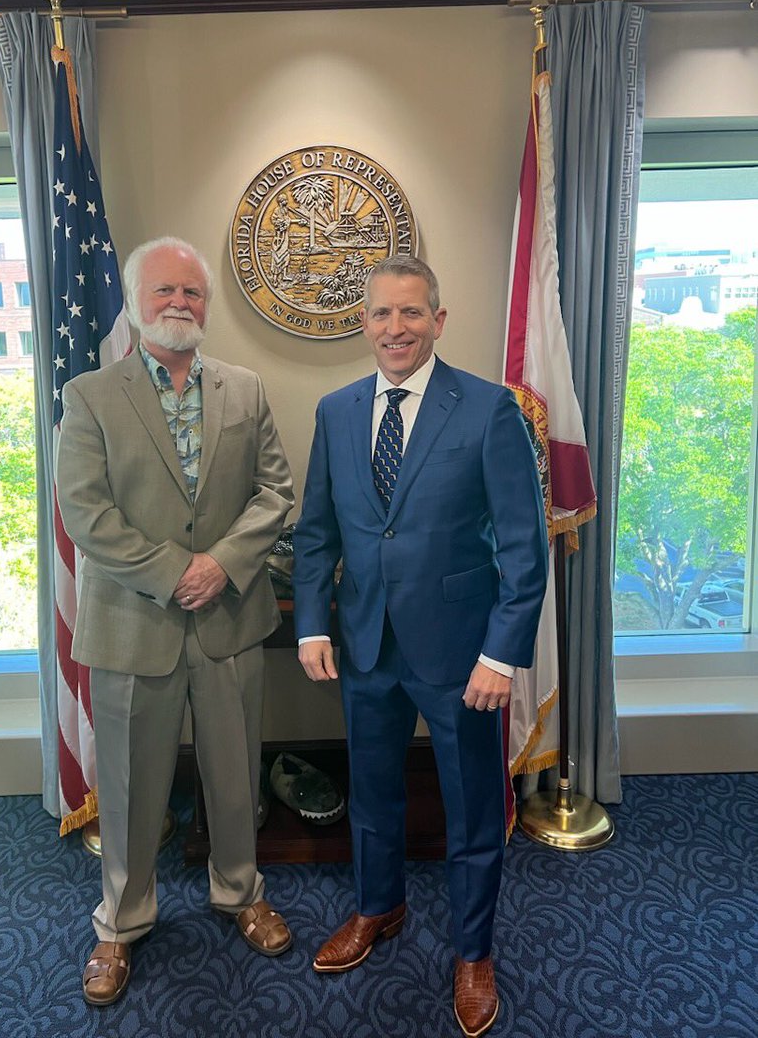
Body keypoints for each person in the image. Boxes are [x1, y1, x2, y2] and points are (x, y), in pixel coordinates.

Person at [293, 254, 548, 1037]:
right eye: (381, 314)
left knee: (471, 809)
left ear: (438, 320)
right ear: (362, 322)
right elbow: (315, 533)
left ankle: (473, 952)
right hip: (364, 647)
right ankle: (381, 908)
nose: (395, 328)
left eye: (412, 313)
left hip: (462, 656)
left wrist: (501, 655)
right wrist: (311, 623)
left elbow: (523, 546)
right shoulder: (336, 412)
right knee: (372, 797)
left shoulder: (487, 409)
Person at [56, 236, 295, 1006]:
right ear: (134, 302)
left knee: (234, 775)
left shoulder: (247, 390)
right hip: (133, 623)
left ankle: (240, 891)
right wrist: (172, 573)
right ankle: (120, 924)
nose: (179, 304)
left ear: (207, 305)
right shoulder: (89, 395)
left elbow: (275, 495)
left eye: (192, 293)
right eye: (164, 292)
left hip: (229, 615)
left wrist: (220, 564)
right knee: (128, 788)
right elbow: (85, 513)